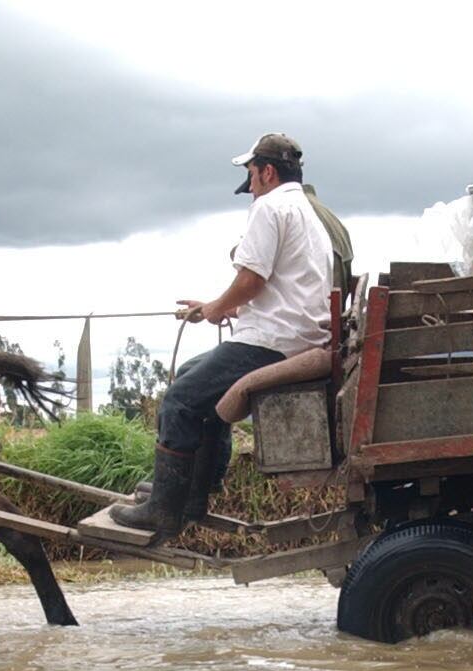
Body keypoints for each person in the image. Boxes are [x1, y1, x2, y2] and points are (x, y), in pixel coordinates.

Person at [111, 133, 342, 535]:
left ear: (267, 172)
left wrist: (217, 308)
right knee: (191, 375)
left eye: (251, 174)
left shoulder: (269, 207)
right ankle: (190, 493)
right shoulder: (305, 210)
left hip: (275, 341)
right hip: (297, 332)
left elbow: (252, 280)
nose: (250, 186)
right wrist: (219, 307)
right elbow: (286, 289)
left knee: (180, 401)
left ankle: (164, 509)